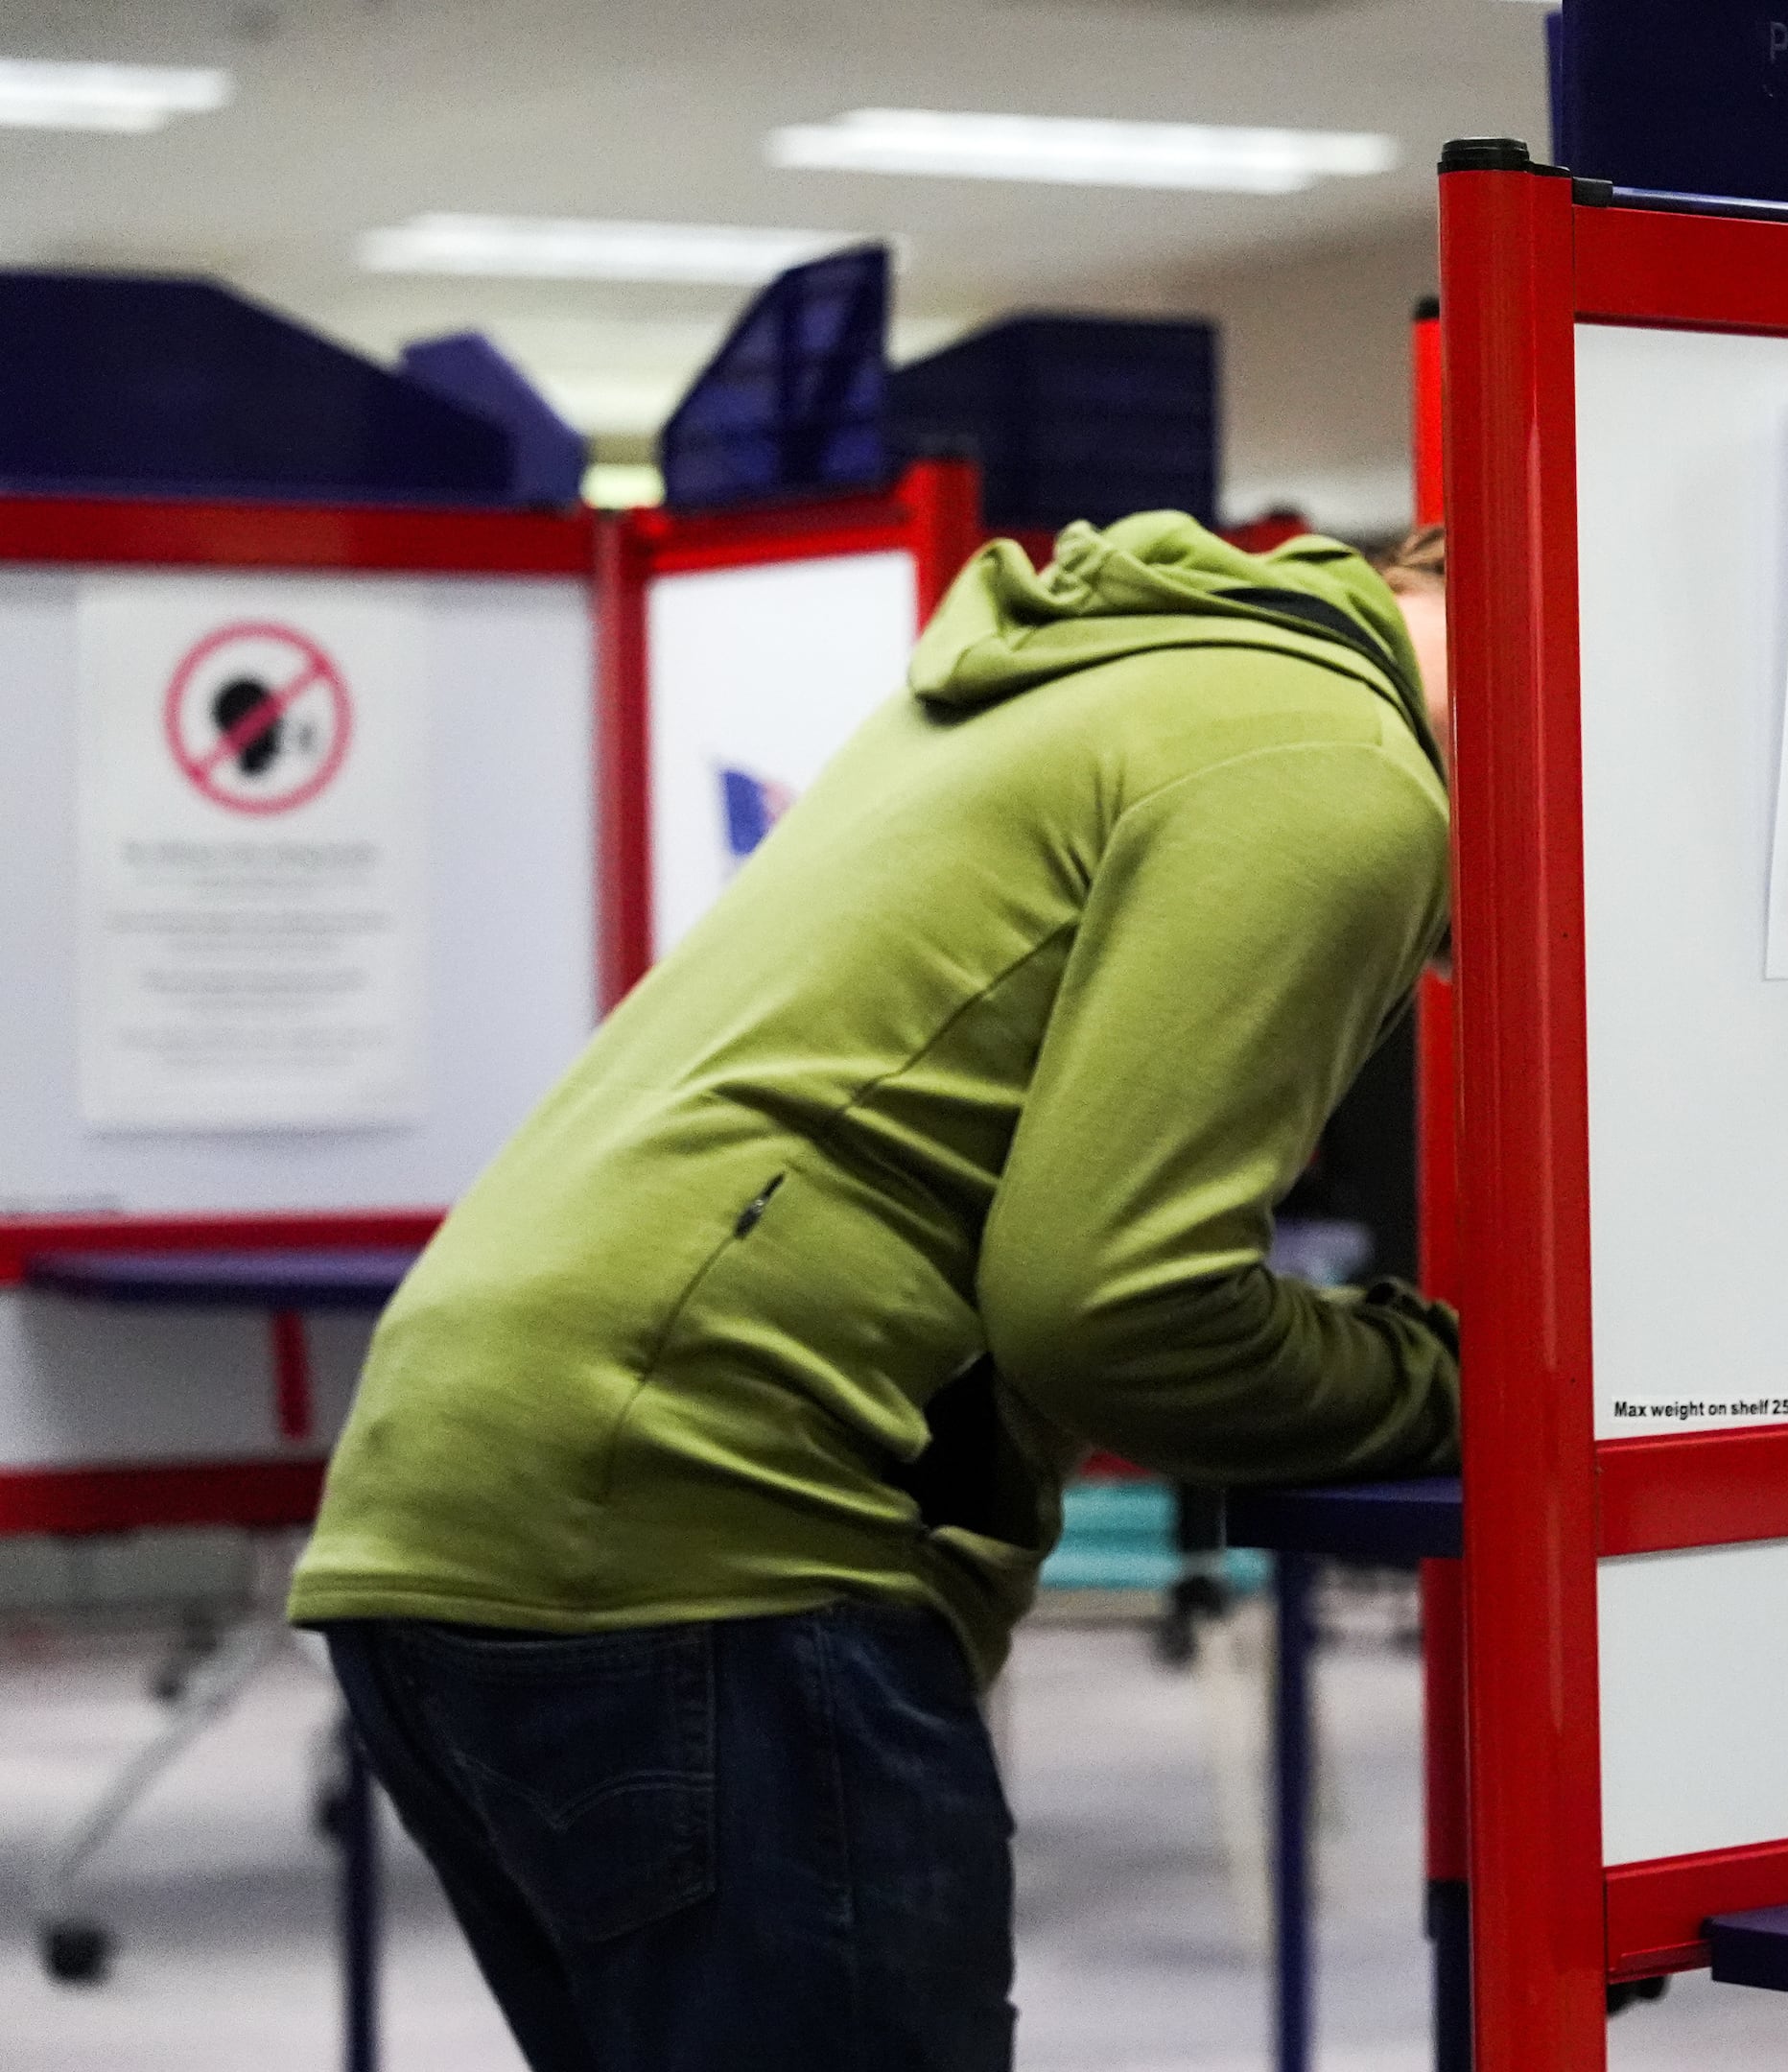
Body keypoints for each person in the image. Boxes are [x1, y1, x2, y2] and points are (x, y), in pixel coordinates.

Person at [289, 512, 1459, 2072]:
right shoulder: (1332, 770)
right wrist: (1459, 1384)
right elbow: (1116, 1306)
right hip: (715, 1518)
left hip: (457, 1492)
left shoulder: (1100, 674)